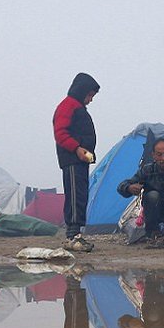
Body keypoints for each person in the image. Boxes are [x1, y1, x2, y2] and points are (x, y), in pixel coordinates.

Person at [53, 72, 100, 253]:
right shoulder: (68, 106)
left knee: (80, 194)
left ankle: (76, 234)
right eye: (89, 95)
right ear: (82, 91)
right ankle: (72, 235)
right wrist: (77, 148)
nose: (90, 100)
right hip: (72, 159)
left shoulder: (77, 107)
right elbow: (61, 133)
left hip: (80, 159)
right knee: (74, 195)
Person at [117, 138, 164, 244]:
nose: (163, 158)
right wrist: (129, 188)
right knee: (153, 195)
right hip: (152, 216)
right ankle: (153, 233)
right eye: (159, 155)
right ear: (153, 155)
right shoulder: (147, 171)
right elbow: (122, 186)